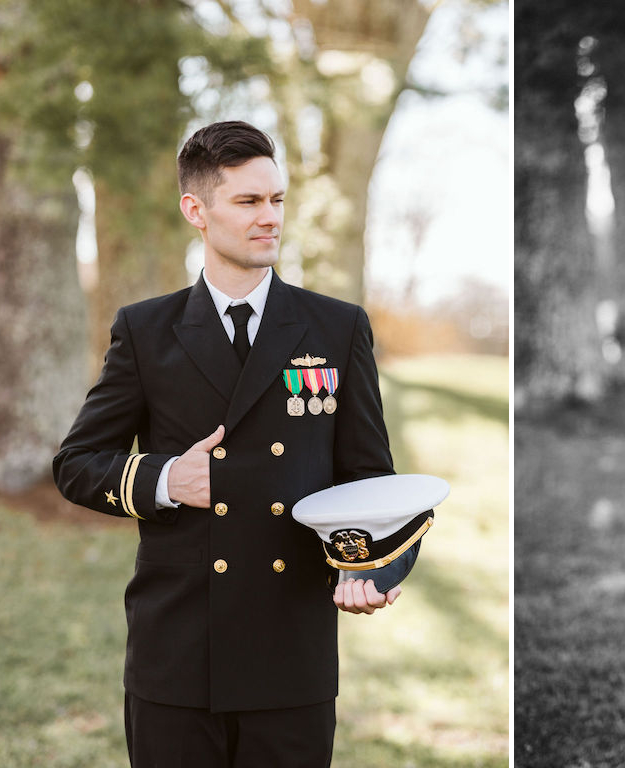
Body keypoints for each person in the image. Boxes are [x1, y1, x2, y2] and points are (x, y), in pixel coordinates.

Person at [52, 120, 418, 767]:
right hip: (178, 651)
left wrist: (373, 569)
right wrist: (165, 480)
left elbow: (375, 483)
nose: (269, 217)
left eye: (276, 200)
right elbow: (77, 464)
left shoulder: (336, 327)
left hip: (291, 650)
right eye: (248, 201)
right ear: (196, 209)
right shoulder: (145, 330)